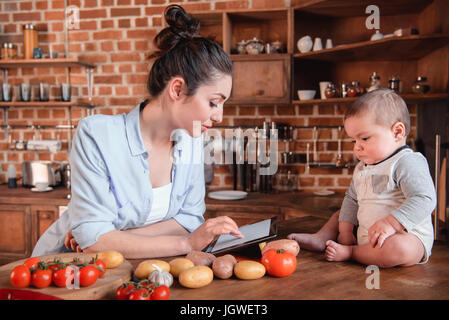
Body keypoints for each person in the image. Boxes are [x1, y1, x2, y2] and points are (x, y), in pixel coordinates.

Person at [32, 4, 243, 259]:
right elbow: (93, 245)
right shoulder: (96, 135)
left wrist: (108, 238)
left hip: (134, 271)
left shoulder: (191, 141)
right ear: (177, 89)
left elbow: (189, 218)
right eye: (213, 102)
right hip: (68, 270)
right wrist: (186, 244)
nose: (219, 116)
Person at [288, 89, 436, 267]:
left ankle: (352, 252)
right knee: (340, 215)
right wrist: (345, 230)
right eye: (353, 141)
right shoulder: (362, 167)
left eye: (364, 138)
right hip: (368, 235)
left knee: (399, 248)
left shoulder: (406, 162)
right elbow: (352, 198)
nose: (357, 148)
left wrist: (391, 224)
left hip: (405, 236)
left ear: (397, 132)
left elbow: (425, 199)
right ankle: (321, 238)